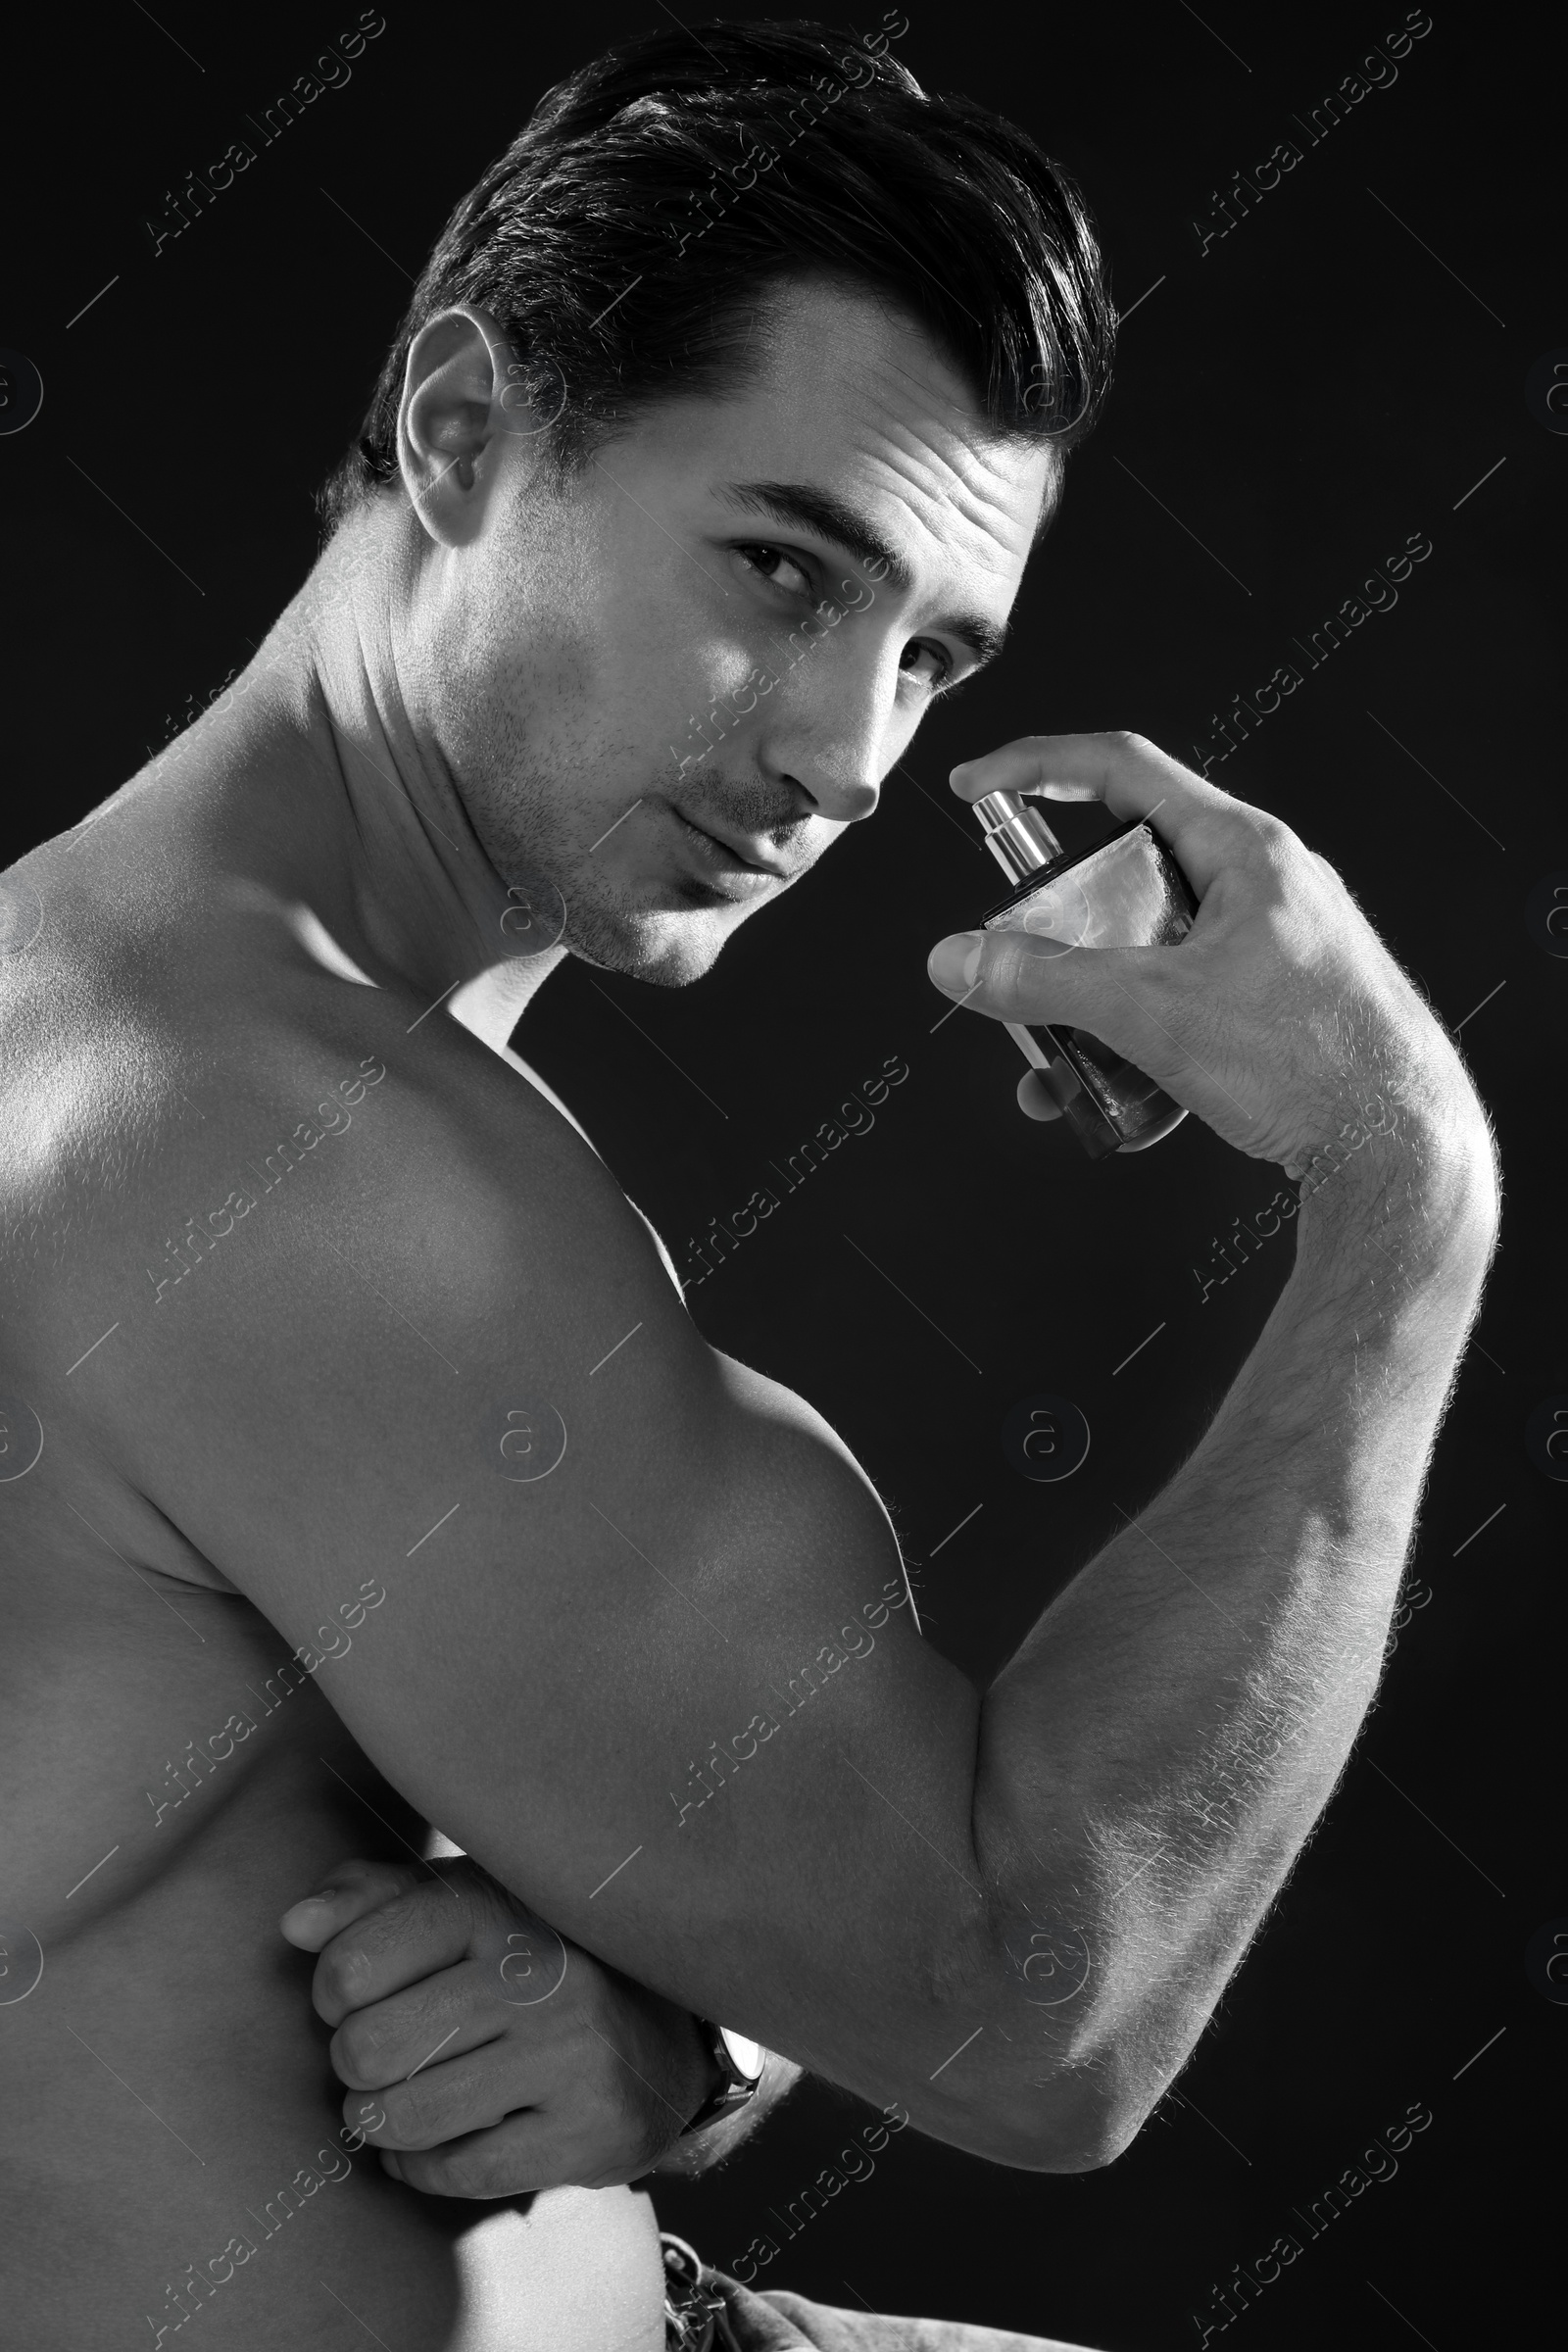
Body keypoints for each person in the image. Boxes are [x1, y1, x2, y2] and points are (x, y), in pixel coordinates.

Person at [0, 20, 1496, 2352]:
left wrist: (683, 2031)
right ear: (464, 427)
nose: (844, 753)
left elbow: (667, 1851)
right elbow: (1029, 2006)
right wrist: (1404, 1201)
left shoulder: (126, 995)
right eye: (786, 573)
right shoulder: (283, 1162)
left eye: (926, 654)